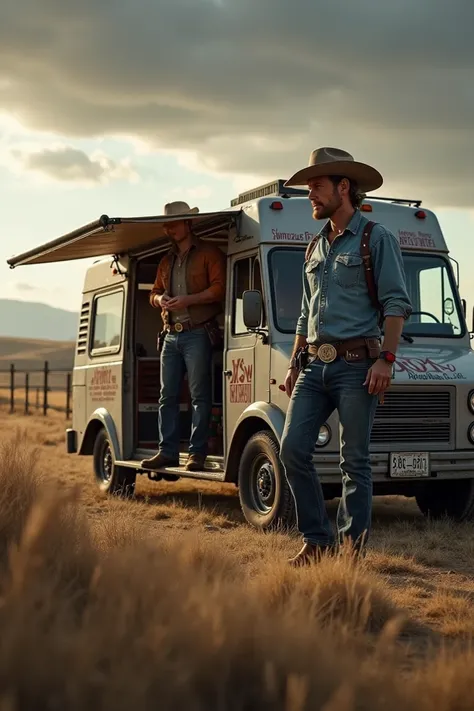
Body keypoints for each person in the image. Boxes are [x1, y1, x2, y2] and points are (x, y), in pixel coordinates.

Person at [279, 147, 412, 566]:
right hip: (315, 366)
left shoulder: (377, 238)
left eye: (316, 187)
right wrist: (294, 360)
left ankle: (350, 554)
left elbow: (396, 304)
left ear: (343, 187)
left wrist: (385, 360)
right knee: (291, 450)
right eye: (308, 189)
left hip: (360, 366)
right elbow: (305, 312)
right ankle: (317, 540)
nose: (311, 196)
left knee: (353, 462)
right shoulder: (313, 247)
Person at [141, 201, 226, 473]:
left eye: (173, 223)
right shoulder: (166, 261)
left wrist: (188, 300)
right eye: (166, 224)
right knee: (167, 397)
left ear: (188, 224)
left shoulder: (210, 253)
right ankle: (167, 453)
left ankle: (196, 454)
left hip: (197, 333)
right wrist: (160, 299)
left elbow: (219, 290)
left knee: (199, 396)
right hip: (170, 336)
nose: (168, 228)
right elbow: (152, 292)